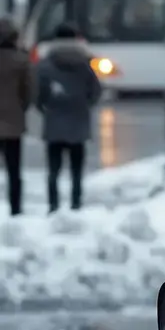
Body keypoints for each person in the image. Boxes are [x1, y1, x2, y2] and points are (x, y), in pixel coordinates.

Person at [35, 23, 102, 212]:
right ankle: (76, 202)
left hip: (54, 122)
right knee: (76, 168)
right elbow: (95, 91)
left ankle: (53, 204)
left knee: (53, 170)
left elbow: (38, 93)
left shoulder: (46, 65)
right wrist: (84, 105)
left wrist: (46, 107)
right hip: (78, 123)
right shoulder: (84, 64)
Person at [0, 17, 32, 216]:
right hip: (13, 123)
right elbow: (28, 92)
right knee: (14, 170)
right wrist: (20, 108)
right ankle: (16, 208)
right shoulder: (21, 61)